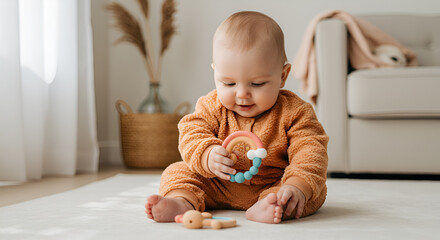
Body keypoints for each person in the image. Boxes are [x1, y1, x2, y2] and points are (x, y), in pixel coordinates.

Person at [145, 11, 328, 224]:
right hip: (217, 183)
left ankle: (270, 205)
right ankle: (182, 201)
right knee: (177, 171)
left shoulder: (295, 112)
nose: (242, 94)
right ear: (216, 74)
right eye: (229, 84)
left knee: (308, 193)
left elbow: (311, 150)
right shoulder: (211, 106)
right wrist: (207, 154)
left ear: (282, 76)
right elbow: (191, 131)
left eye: (257, 84)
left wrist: (296, 186)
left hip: (273, 183)